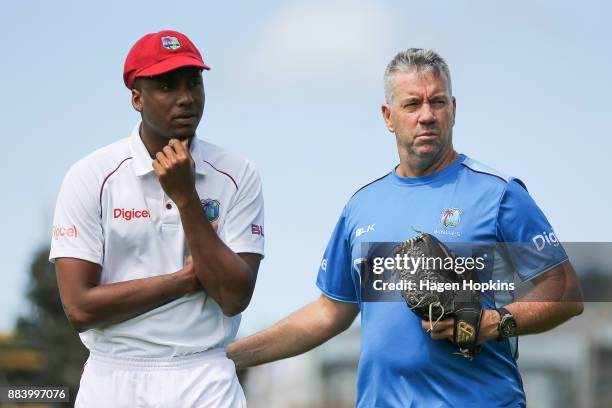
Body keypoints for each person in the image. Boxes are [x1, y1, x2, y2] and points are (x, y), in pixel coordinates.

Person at [226, 48, 583, 407]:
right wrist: (228, 357)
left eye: (438, 102)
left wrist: (492, 322)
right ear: (388, 116)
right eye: (413, 104)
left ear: (453, 110)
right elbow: (329, 312)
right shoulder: (362, 207)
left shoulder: (498, 193)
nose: (427, 116)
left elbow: (566, 292)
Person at [50, 30, 264, 407]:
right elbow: (79, 308)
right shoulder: (90, 176)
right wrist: (183, 280)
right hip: (111, 376)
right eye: (167, 86)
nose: (186, 98)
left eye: (193, 83)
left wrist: (185, 199)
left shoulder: (237, 173)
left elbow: (233, 297)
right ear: (137, 98)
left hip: (203, 373)